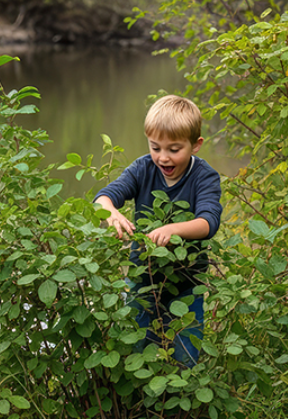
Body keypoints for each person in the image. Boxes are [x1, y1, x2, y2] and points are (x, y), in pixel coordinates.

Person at [94, 95, 222, 367]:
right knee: (139, 348)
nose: (163, 157)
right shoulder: (143, 168)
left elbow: (208, 222)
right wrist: (111, 212)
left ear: (195, 145)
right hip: (143, 279)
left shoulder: (204, 176)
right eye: (155, 147)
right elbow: (104, 197)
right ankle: (139, 406)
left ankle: (181, 405)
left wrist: (173, 229)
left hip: (187, 282)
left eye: (174, 149)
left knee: (184, 353)